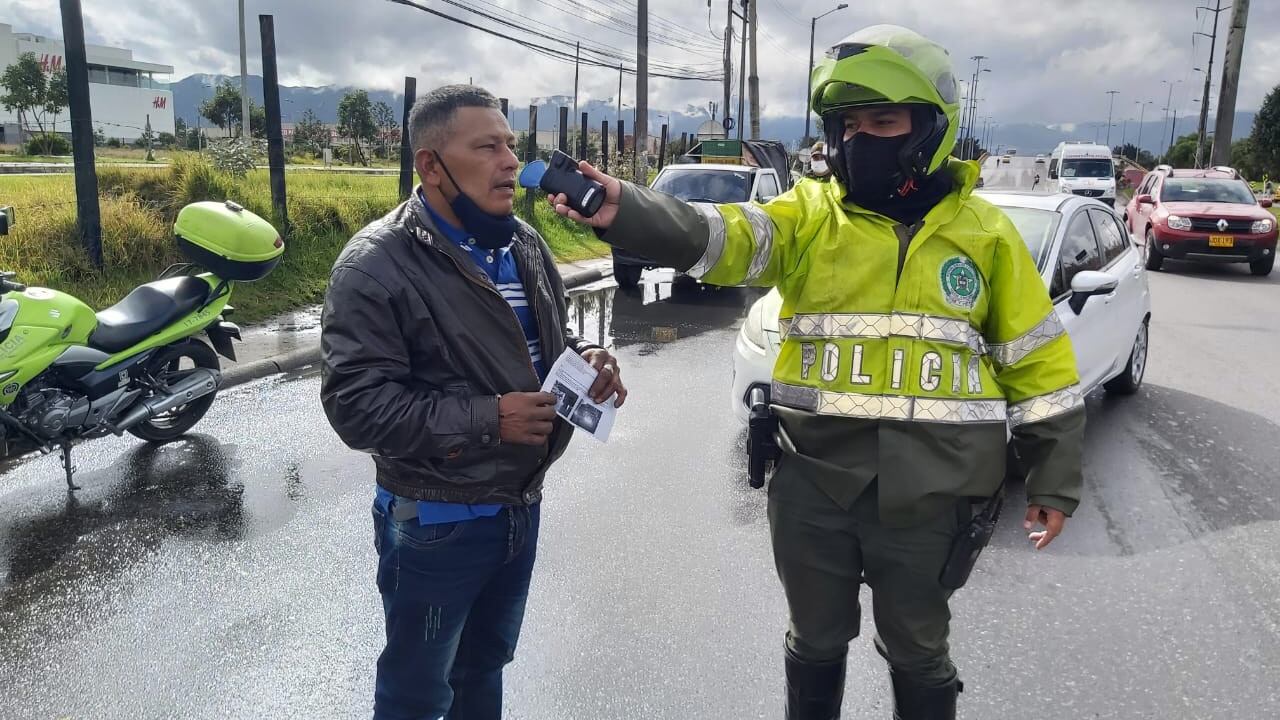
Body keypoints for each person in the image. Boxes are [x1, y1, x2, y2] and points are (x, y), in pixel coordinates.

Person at [551, 25, 1083, 720]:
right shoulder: (810, 216)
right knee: (814, 641)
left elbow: (1037, 361)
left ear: (930, 128)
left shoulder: (985, 236)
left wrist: (1053, 478)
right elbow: (728, 236)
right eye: (848, 124)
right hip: (814, 482)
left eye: (883, 121)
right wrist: (634, 212)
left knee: (920, 650)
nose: (861, 139)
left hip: (936, 493)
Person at [320, 84, 627, 720]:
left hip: (518, 509)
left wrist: (588, 361)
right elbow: (356, 405)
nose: (510, 161)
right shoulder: (374, 266)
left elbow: (544, 343)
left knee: (484, 671)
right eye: (486, 146)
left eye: (510, 144)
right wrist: (491, 420)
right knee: (416, 694)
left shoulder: (523, 245)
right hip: (436, 522)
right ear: (432, 165)